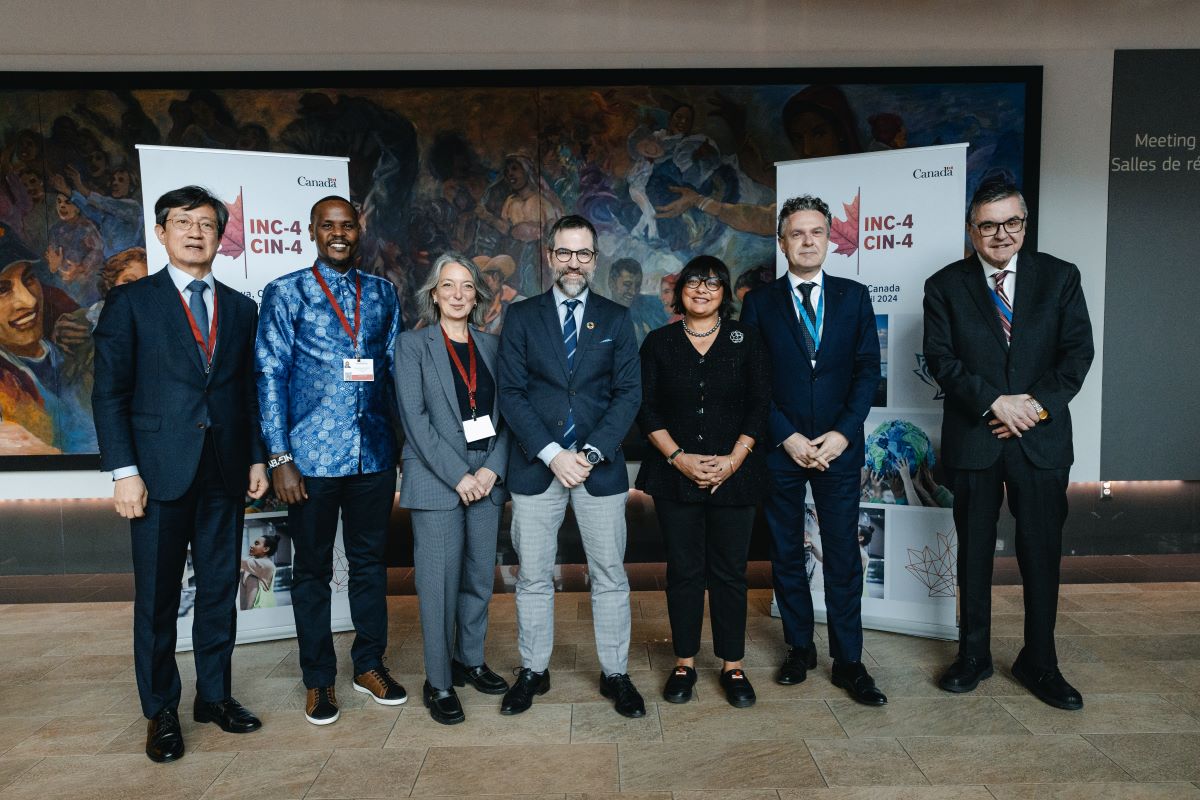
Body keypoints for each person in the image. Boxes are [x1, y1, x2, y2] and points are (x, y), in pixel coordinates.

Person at [91, 185, 269, 763]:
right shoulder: (132, 303)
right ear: (162, 232)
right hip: (158, 474)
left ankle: (213, 697)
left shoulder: (241, 308)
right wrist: (124, 471)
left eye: (208, 225)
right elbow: (110, 393)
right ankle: (161, 709)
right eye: (184, 222)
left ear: (222, 237)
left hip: (223, 472)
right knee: (159, 599)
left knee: (219, 593)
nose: (197, 232)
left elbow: (247, 393)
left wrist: (256, 458)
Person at [923, 179, 1093, 710]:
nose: (1001, 234)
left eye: (1011, 222)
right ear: (971, 230)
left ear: (1025, 222)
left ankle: (1039, 661)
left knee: (1040, 553)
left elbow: (1076, 356)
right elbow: (941, 360)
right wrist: (995, 403)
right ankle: (973, 655)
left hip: (1040, 442)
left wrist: (1032, 408)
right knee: (973, 552)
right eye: (988, 225)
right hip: (975, 439)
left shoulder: (1060, 278)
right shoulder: (944, 285)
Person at [256, 196, 406, 726]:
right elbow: (269, 375)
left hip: (373, 456)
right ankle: (319, 679)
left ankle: (368, 663)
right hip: (310, 461)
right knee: (314, 571)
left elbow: (391, 374)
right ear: (312, 231)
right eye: (329, 226)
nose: (339, 234)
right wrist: (279, 456)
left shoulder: (384, 293)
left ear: (358, 230)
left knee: (369, 567)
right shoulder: (286, 292)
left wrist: (404, 448)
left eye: (347, 225)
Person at [497, 214, 644, 718]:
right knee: (534, 577)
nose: (574, 263)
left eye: (583, 254)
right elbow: (512, 395)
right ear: (550, 256)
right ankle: (533, 672)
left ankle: (616, 674)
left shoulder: (616, 319)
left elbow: (628, 395)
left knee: (609, 575)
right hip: (538, 468)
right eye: (565, 253)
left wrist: (588, 454)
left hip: (598, 471)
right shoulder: (521, 317)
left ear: (595, 259)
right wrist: (553, 454)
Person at [740, 194, 885, 706]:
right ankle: (799, 648)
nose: (807, 241)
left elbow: (869, 370)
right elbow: (754, 381)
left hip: (839, 448)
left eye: (816, 232)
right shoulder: (758, 303)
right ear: (782, 243)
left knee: (844, 556)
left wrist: (843, 433)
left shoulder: (854, 296)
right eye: (796, 233)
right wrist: (787, 436)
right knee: (786, 554)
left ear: (830, 239)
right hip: (783, 450)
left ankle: (849, 661)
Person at [635, 255, 770, 708]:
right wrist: (678, 458)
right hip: (675, 476)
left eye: (713, 283)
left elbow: (759, 404)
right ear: (680, 291)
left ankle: (733, 664)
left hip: (738, 473)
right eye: (694, 281)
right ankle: (685, 663)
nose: (702, 289)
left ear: (725, 293)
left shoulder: (745, 339)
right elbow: (647, 409)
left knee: (731, 573)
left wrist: (733, 460)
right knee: (685, 572)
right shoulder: (658, 342)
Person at [396, 252, 512, 725]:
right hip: (437, 480)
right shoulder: (412, 345)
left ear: (478, 296)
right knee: (439, 585)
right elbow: (415, 421)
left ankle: (470, 660)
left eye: (467, 287)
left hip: (486, 478)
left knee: (478, 580)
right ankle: (439, 681)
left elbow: (510, 414)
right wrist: (458, 475)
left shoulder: (493, 346)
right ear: (434, 294)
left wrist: (490, 471)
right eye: (449, 286)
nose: (459, 294)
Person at [608, 257, 667, 345]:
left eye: (637, 286)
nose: (633, 291)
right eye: (627, 285)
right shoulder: (599, 315)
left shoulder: (653, 306)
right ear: (612, 284)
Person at [239, 533, 279, 611]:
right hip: (257, 610)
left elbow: (240, 562)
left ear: (266, 549)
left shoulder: (266, 564)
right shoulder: (255, 564)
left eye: (256, 543)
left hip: (261, 610)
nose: (251, 545)